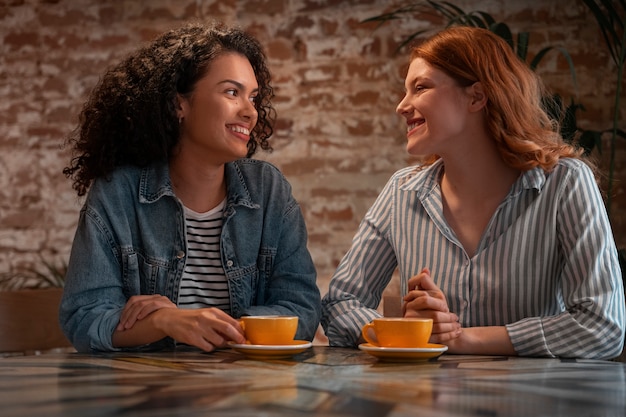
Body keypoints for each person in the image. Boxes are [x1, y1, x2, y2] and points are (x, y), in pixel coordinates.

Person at [321, 26, 625, 359]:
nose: (402, 106)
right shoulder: (402, 191)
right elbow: (340, 304)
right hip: (427, 406)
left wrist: (464, 339)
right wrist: (408, 333)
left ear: (477, 97)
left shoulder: (565, 183)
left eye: (420, 87)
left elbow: (603, 326)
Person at [60, 22, 321, 353]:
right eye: (231, 92)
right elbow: (84, 318)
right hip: (145, 395)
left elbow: (303, 309)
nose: (250, 112)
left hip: (248, 392)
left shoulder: (269, 191)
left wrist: (201, 325)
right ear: (177, 105)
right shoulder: (118, 193)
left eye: (253, 97)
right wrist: (162, 322)